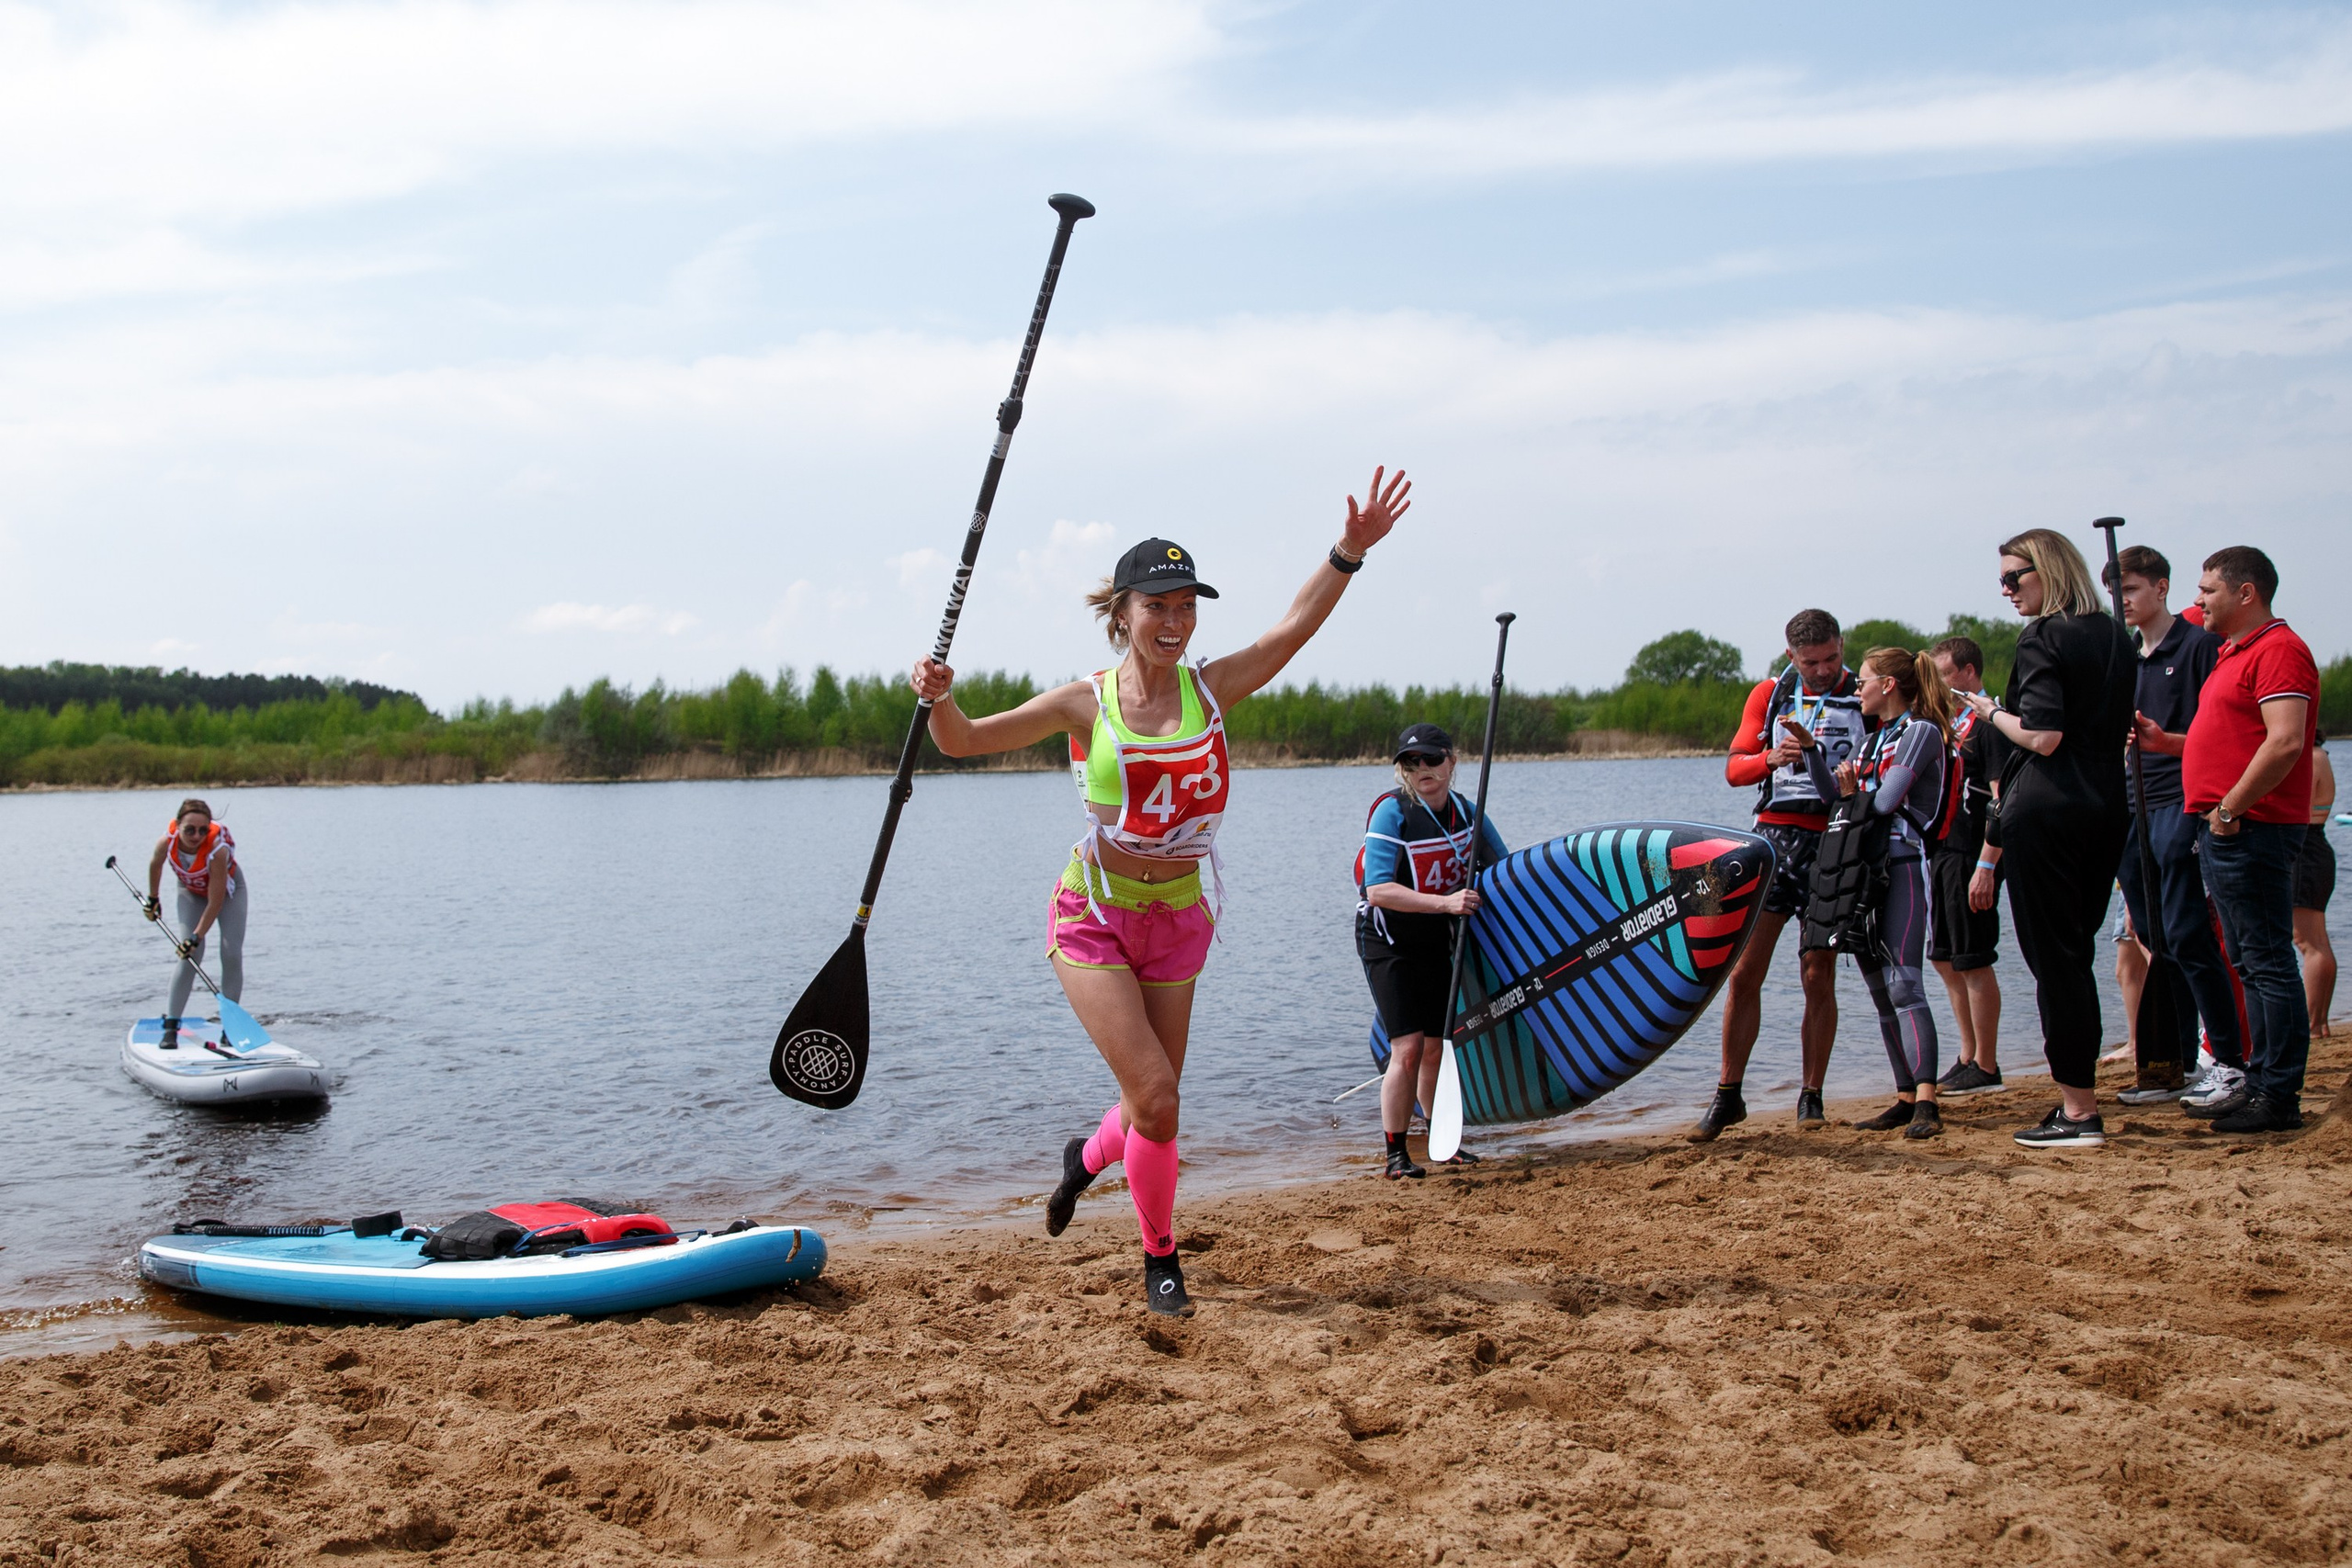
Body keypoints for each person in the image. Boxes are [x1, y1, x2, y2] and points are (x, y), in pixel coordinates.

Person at [910, 468, 1413, 1316]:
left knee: (1153, 1108)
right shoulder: (1085, 703)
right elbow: (962, 741)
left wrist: (1348, 551)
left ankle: (1084, 1159)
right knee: (1158, 1096)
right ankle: (1161, 1257)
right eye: (1157, 606)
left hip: (1179, 916)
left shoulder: (1211, 690)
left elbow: (1293, 629)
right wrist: (938, 697)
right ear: (1123, 614)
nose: (1175, 622)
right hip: (1095, 913)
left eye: (1186, 606)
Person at [1960, 528, 2135, 1150]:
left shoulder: (2042, 636)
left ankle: (2078, 1110)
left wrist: (1989, 713)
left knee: (2054, 962)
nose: (2006, 590)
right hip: (2107, 806)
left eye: (2015, 577)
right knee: (2075, 955)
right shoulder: (2116, 635)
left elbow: (2043, 735)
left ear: (2049, 570)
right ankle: (2080, 1098)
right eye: (2002, 579)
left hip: (2046, 808)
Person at [1690, 609, 1861, 1141]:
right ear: (1792, 656)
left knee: (1817, 973)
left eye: (1832, 658)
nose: (1824, 670)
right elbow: (1734, 770)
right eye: (1812, 663)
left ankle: (1811, 1096)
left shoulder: (1864, 693)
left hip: (1832, 839)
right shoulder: (1770, 693)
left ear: (1842, 645)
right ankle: (1728, 1094)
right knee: (1744, 973)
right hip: (1775, 843)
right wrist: (1770, 758)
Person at [2165, 547, 2321, 1133]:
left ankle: (2278, 1096)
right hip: (2230, 827)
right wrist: (2167, 744)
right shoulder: (2235, 650)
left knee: (2267, 962)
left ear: (2246, 592)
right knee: (2250, 962)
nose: (2199, 599)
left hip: (2253, 826)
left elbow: (2285, 741)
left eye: (2208, 589)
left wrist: (2230, 808)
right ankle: (2260, 1082)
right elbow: (2231, 736)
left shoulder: (2279, 649)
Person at [2103, 544, 2241, 1105]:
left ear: (2161, 588)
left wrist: (2169, 745)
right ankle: (2174, 1065)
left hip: (2181, 801)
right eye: (2115, 593)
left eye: (2131, 589)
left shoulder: (2199, 647)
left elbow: (2222, 734)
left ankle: (2228, 1060)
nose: (2122, 601)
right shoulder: (2121, 656)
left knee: (2187, 933)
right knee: (2154, 938)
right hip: (2129, 806)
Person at [1805, 648, 1955, 1140]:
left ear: (1888, 685)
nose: (1856, 690)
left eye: (1863, 681)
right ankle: (1905, 1097)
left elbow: (1888, 801)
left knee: (1904, 984)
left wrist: (1854, 795)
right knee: (1879, 990)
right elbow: (1834, 798)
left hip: (1903, 867)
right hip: (1865, 872)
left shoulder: (1920, 732)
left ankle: (1928, 1102)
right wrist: (1810, 751)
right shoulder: (1871, 741)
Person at [1355, 722, 1507, 1179]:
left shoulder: (1468, 813)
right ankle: (1396, 1155)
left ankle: (1442, 1143)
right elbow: (1378, 890)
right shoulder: (1393, 812)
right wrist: (1446, 903)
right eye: (1411, 761)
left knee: (1437, 1049)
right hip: (1387, 940)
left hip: (1436, 939)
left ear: (1451, 762)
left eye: (1432, 759)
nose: (1422, 768)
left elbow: (1502, 870)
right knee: (1407, 1047)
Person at [1928, 637, 2006, 1092]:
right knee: (1944, 959)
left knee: (1973, 958)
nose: (1938, 684)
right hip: (1943, 851)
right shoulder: (1951, 723)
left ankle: (1988, 1065)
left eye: (1944, 674)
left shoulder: (1990, 723)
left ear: (1969, 672)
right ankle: (1967, 1054)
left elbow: (2002, 801)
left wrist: (1987, 866)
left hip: (1973, 855)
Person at [143, 798, 248, 1045]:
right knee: (189, 956)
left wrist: (197, 935)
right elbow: (155, 866)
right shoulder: (165, 843)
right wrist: (153, 899)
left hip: (228, 894)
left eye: (203, 830)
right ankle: (171, 1027)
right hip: (190, 892)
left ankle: (230, 1027)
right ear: (178, 825)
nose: (196, 836)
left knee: (231, 953)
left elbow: (215, 902)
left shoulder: (217, 851)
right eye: (189, 830)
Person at [2294, 736, 2336, 1038]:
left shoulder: (2310, 755)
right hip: (2315, 846)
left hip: (2304, 849)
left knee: (2309, 942)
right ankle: (2319, 1022)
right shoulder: (2321, 754)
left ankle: (2312, 1023)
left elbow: (2294, 804)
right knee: (2317, 942)